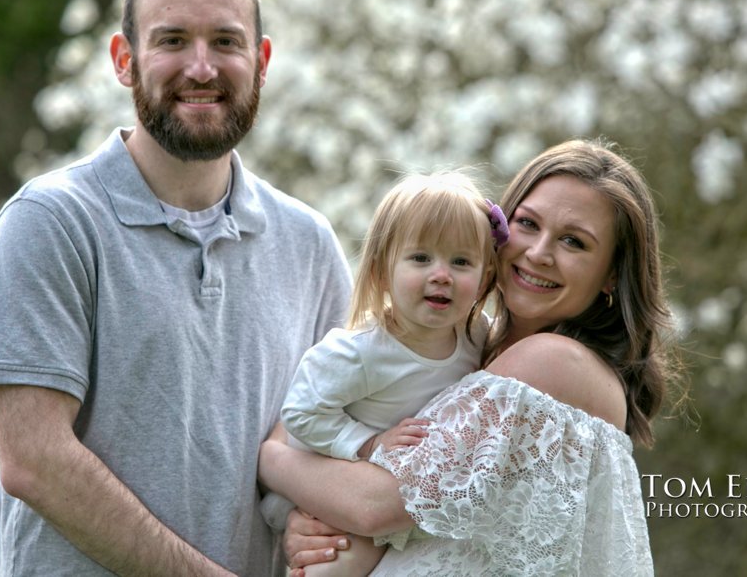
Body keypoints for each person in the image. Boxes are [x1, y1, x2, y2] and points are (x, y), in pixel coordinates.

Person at [0, 0, 352, 576]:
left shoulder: (308, 245)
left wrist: (311, 519)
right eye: (172, 40)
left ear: (262, 60)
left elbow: (324, 439)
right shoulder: (52, 222)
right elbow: (34, 460)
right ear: (125, 60)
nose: (201, 68)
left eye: (226, 41)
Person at [259, 139, 679, 576]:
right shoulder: (464, 342)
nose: (538, 252)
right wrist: (307, 519)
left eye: (573, 242)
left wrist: (273, 461)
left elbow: (374, 504)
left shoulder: (555, 363)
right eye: (528, 224)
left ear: (612, 273)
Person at [261, 171, 503, 575]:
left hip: (405, 495)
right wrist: (368, 443)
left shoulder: (480, 335)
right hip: (334, 486)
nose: (441, 274)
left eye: (461, 261)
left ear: (484, 279)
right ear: (380, 271)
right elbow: (300, 413)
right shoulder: (359, 351)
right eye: (420, 258)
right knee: (332, 566)